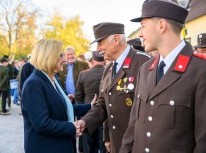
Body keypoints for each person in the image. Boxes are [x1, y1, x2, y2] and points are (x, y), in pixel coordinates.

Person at [120, 1, 206, 153]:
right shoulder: (145, 69)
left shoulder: (200, 70)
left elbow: (202, 142)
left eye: (143, 26)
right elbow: (133, 126)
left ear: (161, 25)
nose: (140, 34)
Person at [76, 22, 150, 153]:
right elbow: (103, 104)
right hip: (117, 142)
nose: (98, 49)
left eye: (100, 43)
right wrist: (85, 122)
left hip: (139, 143)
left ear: (116, 39)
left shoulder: (144, 63)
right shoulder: (109, 69)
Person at [21, 39, 93, 153]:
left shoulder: (51, 79)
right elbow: (42, 124)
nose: (64, 59)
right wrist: (72, 127)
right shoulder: (34, 83)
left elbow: (63, 107)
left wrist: (90, 106)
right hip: (46, 147)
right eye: (61, 55)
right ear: (49, 56)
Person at [75, 51, 106, 153]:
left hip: (87, 113)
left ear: (92, 61)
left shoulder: (84, 74)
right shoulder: (109, 72)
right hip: (105, 114)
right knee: (104, 144)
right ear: (104, 61)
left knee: (88, 146)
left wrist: (81, 116)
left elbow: (78, 97)